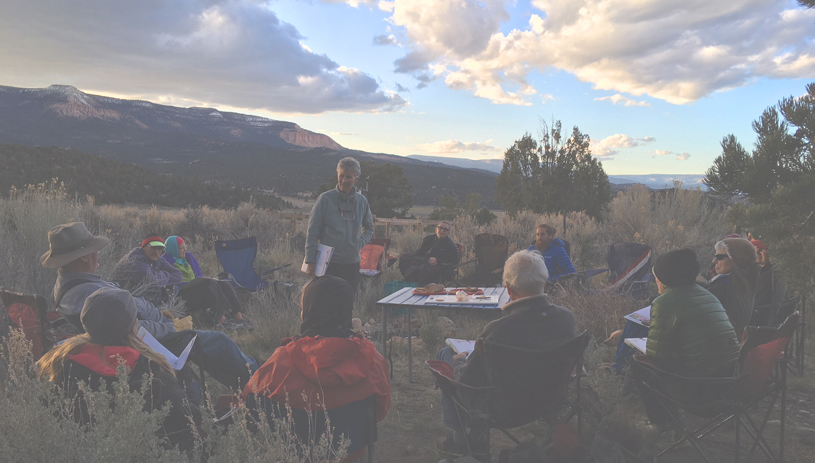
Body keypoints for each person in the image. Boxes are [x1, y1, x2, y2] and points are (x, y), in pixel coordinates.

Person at [42, 222, 259, 389]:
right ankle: (260, 375)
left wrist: (158, 313)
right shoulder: (86, 293)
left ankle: (248, 378)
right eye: (94, 249)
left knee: (207, 332)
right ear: (84, 258)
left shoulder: (73, 283)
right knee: (216, 341)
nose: (98, 253)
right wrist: (171, 327)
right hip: (141, 344)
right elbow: (134, 329)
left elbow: (139, 302)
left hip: (139, 331)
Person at [434, 250, 577, 457]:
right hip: (550, 399)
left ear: (508, 289)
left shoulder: (498, 330)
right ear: (544, 283)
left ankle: (461, 442)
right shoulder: (566, 318)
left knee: (446, 353)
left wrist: (459, 362)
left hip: (503, 409)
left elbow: (467, 381)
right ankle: (476, 439)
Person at [242, 276, 390, 463]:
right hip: (352, 451)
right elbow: (380, 410)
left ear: (308, 313)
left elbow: (250, 404)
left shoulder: (280, 364)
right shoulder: (374, 361)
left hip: (294, 454)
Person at [36, 287, 202, 452]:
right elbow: (190, 421)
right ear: (133, 325)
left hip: (76, 450)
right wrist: (183, 377)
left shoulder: (57, 361)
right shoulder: (151, 370)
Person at [646, 249, 740, 378]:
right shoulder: (708, 295)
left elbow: (655, 355)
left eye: (656, 277)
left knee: (638, 362)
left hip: (699, 380)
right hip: (731, 374)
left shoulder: (664, 302)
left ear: (663, 279)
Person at [304, 157, 374, 289]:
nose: (344, 180)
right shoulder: (325, 199)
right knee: (327, 303)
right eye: (341, 176)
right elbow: (312, 231)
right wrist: (310, 260)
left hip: (351, 263)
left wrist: (359, 243)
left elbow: (369, 227)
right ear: (337, 175)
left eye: (348, 177)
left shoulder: (361, 201)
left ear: (356, 179)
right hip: (328, 263)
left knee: (347, 303)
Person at [162, 235, 249, 330]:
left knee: (223, 283)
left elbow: (199, 275)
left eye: (185, 247)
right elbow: (169, 284)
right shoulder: (165, 262)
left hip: (196, 290)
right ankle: (222, 320)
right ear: (173, 249)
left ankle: (238, 317)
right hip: (182, 296)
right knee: (210, 284)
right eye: (181, 248)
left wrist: (198, 283)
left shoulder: (188, 258)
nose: (185, 250)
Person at [704, 238, 760, 339]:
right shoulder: (745, 281)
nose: (714, 261)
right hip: (733, 343)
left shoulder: (726, 286)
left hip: (719, 346)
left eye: (720, 257)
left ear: (737, 259)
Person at [113, 234, 182, 304]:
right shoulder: (135, 259)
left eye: (159, 249)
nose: (156, 252)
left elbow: (178, 276)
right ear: (144, 246)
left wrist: (159, 278)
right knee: (155, 291)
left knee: (172, 288)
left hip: (140, 295)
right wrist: (164, 274)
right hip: (124, 298)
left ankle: (163, 311)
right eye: (153, 247)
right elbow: (151, 283)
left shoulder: (157, 259)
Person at [400, 221, 460, 285]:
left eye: (445, 229)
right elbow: (417, 255)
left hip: (440, 266)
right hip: (425, 260)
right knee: (405, 259)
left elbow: (455, 261)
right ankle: (408, 284)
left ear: (448, 232)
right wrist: (427, 260)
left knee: (423, 269)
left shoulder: (451, 245)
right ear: (436, 229)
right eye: (440, 228)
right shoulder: (427, 239)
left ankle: (421, 287)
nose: (442, 230)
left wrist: (437, 261)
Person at [751, 239, 786, 326]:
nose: (758, 253)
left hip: (759, 320)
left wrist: (767, 265)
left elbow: (757, 300)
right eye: (755, 249)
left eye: (761, 250)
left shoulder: (772, 274)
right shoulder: (765, 271)